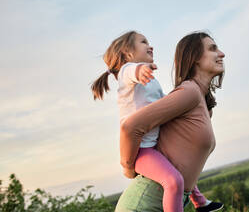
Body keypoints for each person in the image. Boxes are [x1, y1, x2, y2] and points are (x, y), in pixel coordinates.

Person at [91, 31, 223, 211]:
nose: (221, 54)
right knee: (173, 180)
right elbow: (129, 126)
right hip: (142, 201)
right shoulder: (129, 72)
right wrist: (128, 166)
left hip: (161, 197)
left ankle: (200, 202)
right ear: (128, 53)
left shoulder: (191, 96)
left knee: (177, 178)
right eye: (213, 49)